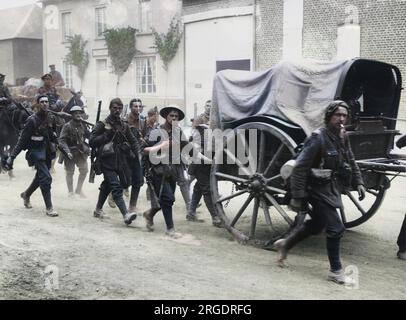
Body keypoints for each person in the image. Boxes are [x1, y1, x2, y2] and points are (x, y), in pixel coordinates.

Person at [273, 100, 366, 285]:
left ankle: (285, 245)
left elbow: (351, 158)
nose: (341, 119)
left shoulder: (342, 134)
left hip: (330, 187)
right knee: (336, 228)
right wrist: (298, 197)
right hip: (314, 188)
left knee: (317, 224)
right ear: (328, 116)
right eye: (337, 115)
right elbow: (300, 168)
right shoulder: (318, 137)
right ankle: (336, 272)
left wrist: (359, 181)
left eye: (344, 115)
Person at [5, 95, 59, 217]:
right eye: (42, 102)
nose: (45, 104)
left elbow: (53, 133)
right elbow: (22, 140)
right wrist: (12, 157)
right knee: (46, 178)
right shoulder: (32, 120)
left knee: (39, 177)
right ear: (38, 104)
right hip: (36, 152)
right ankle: (49, 208)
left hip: (47, 151)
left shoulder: (51, 117)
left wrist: (55, 140)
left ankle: (26, 194)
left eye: (46, 102)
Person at [89, 98, 139, 225]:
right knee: (115, 187)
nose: (117, 110)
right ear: (110, 108)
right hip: (106, 160)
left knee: (113, 184)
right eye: (115, 108)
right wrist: (106, 135)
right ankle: (126, 214)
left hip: (121, 160)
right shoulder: (103, 124)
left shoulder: (124, 124)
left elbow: (133, 140)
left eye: (119, 108)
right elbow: (92, 141)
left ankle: (98, 209)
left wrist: (137, 153)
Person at [142, 106, 187, 237]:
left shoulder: (179, 132)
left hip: (172, 171)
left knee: (167, 200)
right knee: (168, 198)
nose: (174, 118)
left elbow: (187, 148)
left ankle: (149, 214)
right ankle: (170, 229)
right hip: (157, 171)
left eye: (176, 117)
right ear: (166, 117)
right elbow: (143, 149)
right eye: (171, 116)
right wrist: (160, 147)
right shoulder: (156, 131)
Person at [58, 106, 91, 198]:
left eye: (79, 113)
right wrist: (67, 151)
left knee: (84, 170)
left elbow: (89, 136)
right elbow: (62, 140)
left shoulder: (83, 125)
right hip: (70, 153)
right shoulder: (67, 126)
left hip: (81, 152)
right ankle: (70, 192)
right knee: (70, 172)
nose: (78, 114)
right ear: (72, 115)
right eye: (75, 113)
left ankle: (78, 190)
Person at [126, 98, 146, 212]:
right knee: (125, 179)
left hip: (138, 154)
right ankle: (112, 194)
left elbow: (145, 135)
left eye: (139, 106)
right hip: (126, 153)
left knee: (137, 180)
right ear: (130, 107)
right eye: (135, 106)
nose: (138, 108)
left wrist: (143, 140)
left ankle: (132, 206)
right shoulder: (125, 120)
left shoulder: (143, 121)